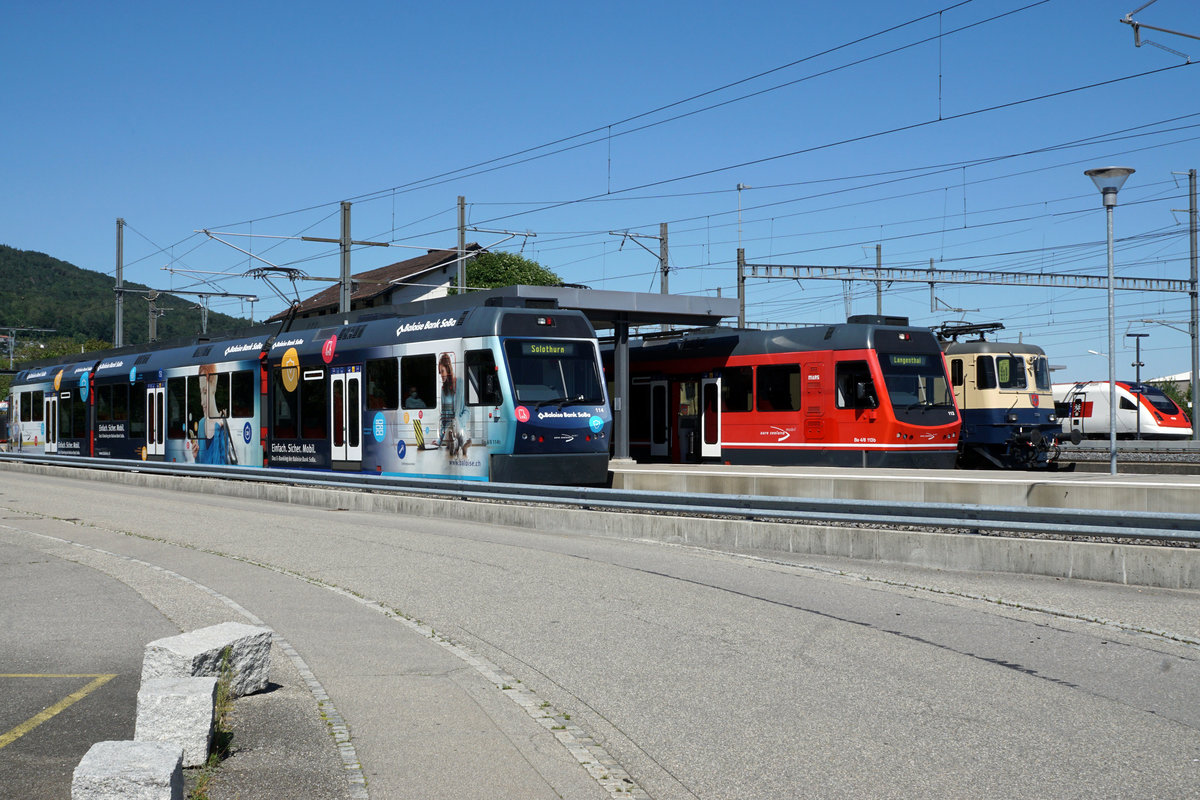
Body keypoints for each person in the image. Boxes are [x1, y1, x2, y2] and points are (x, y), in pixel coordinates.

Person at [191, 364, 229, 464]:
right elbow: (201, 465)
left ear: (213, 387)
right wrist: (196, 456)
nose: (202, 402)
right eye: (201, 392)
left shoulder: (222, 426)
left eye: (205, 392)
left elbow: (220, 464)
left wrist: (217, 429)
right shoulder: (201, 424)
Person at [437, 353, 470, 457]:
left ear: (448, 369)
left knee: (455, 420)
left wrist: (459, 421)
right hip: (448, 430)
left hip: (459, 428)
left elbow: (467, 411)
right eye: (439, 372)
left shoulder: (460, 383)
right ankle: (461, 444)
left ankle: (458, 444)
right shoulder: (443, 391)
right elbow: (443, 418)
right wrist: (439, 440)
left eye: (442, 371)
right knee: (451, 426)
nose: (441, 375)